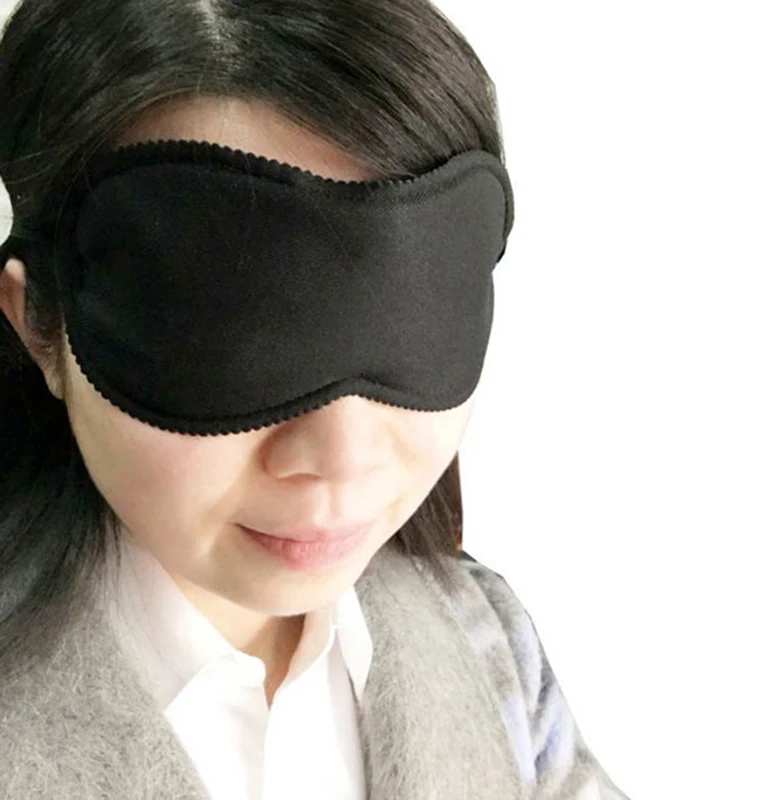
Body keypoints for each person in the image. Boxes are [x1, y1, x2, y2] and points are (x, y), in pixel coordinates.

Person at [0, 1, 631, 798]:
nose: (344, 459)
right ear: (37, 326)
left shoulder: (490, 649)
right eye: (228, 346)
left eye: (411, 322)